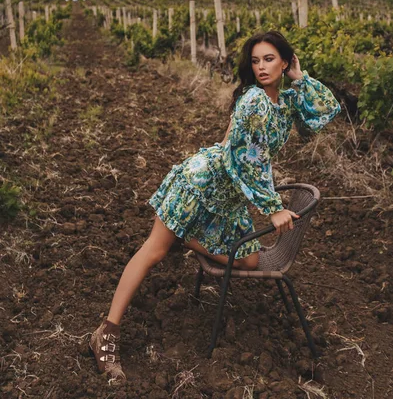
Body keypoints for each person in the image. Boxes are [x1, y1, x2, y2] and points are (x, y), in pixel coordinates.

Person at [89, 30, 341, 382]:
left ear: (285, 61)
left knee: (250, 259)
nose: (261, 67)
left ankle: (182, 236)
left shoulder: (285, 104)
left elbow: (325, 113)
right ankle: (108, 331)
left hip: (229, 196)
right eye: (255, 61)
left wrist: (301, 78)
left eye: (269, 59)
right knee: (153, 250)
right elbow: (243, 159)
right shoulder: (254, 99)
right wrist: (272, 207)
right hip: (203, 183)